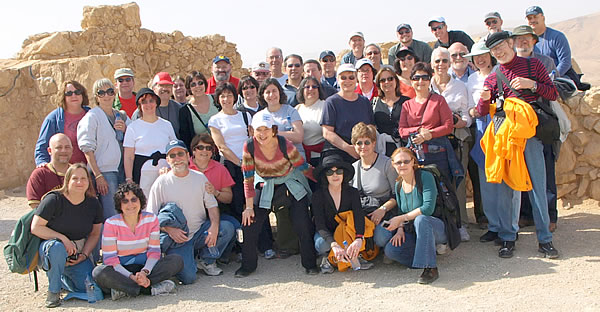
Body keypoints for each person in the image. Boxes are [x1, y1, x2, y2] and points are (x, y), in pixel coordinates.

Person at [475, 31, 559, 259]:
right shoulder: (492, 78)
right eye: (494, 50)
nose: (499, 52)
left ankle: (545, 240)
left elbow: (553, 93)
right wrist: (483, 101)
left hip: (530, 137)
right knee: (505, 190)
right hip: (505, 137)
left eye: (501, 46)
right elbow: (482, 113)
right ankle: (507, 238)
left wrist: (532, 85)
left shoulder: (533, 66)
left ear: (510, 43)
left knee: (537, 189)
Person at [236, 114, 318, 277]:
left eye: (266, 129)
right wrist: (249, 207)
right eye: (258, 130)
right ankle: (248, 265)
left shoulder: (284, 144)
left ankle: (310, 263)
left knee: (302, 222)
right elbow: (248, 177)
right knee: (249, 224)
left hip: (289, 182)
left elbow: (302, 166)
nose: (262, 134)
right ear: (252, 131)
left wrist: (322, 180)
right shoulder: (249, 146)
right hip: (264, 183)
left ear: (273, 130)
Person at [146, 140, 235, 283]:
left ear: (188, 156)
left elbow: (212, 206)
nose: (177, 158)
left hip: (200, 232)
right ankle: (188, 260)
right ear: (168, 160)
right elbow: (150, 217)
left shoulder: (200, 178)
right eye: (172, 156)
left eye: (180, 154)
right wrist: (169, 230)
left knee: (227, 228)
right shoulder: (160, 183)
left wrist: (214, 226)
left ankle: (206, 260)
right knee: (188, 278)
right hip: (178, 239)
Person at [92, 182, 183, 300]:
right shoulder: (111, 223)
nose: (130, 204)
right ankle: (149, 289)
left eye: (134, 199)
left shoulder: (151, 219)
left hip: (146, 268)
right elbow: (110, 259)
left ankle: (126, 290)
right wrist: (131, 277)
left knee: (176, 260)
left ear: (140, 201)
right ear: (120, 204)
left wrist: (144, 272)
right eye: (125, 201)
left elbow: (154, 252)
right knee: (98, 272)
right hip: (122, 270)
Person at [31, 163, 103, 308]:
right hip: (52, 250)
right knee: (57, 248)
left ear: (89, 181)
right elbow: (36, 228)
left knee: (96, 293)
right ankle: (54, 292)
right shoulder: (54, 200)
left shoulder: (93, 204)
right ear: (67, 180)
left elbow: (95, 234)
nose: (79, 182)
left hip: (77, 254)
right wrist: (63, 238)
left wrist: (84, 254)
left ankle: (65, 284)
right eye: (75, 178)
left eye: (83, 178)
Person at [374, 148, 447, 284]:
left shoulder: (425, 176)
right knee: (391, 250)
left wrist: (400, 220)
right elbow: (401, 211)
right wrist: (400, 229)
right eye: (398, 162)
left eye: (406, 161)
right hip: (413, 231)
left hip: (434, 227)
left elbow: (427, 209)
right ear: (393, 165)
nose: (402, 165)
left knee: (421, 220)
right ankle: (425, 254)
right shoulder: (398, 184)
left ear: (413, 161)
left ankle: (430, 267)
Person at [512, 25, 559, 232]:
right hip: (519, 127)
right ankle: (526, 215)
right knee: (522, 171)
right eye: (518, 39)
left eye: (526, 39)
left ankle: (549, 216)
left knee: (546, 172)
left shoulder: (545, 62)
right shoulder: (508, 65)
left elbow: (553, 93)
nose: (522, 42)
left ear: (534, 41)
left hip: (541, 125)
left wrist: (532, 85)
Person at [255, 78, 305, 256]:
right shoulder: (258, 116)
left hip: (294, 165)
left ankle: (298, 244)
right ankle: (282, 244)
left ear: (280, 92)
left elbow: (298, 136)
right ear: (262, 95)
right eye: (267, 91)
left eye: (274, 90)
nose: (271, 94)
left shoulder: (290, 111)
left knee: (296, 204)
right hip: (270, 168)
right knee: (278, 205)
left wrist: (273, 134)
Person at [430, 47, 470, 240]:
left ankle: (460, 223)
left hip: (456, 139)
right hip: (433, 142)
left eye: (445, 61)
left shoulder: (460, 86)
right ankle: (442, 226)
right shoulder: (424, 85)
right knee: (435, 183)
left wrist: (457, 122)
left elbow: (467, 116)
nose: (441, 65)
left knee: (457, 182)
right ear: (432, 64)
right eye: (437, 61)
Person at [77, 78, 130, 220]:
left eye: (110, 91)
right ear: (96, 96)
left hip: (121, 170)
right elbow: (87, 148)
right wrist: (98, 175)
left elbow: (135, 137)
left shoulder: (121, 115)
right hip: (105, 172)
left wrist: (125, 129)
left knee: (123, 211)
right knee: (111, 214)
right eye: (101, 92)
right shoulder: (92, 117)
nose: (106, 95)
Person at [312, 154, 373, 273]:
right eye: (330, 172)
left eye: (338, 171)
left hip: (348, 231)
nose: (335, 175)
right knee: (321, 244)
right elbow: (320, 225)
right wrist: (334, 244)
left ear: (343, 173)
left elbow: (358, 216)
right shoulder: (318, 196)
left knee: (358, 240)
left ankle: (353, 255)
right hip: (328, 233)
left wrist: (359, 238)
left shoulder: (353, 192)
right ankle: (328, 258)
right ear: (325, 175)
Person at [397, 62, 457, 182]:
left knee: (443, 193)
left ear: (430, 80)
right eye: (416, 78)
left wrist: (430, 134)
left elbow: (448, 126)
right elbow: (402, 131)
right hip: (415, 156)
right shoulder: (407, 105)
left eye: (425, 77)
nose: (420, 81)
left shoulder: (439, 100)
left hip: (438, 154)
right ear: (411, 81)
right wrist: (418, 130)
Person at [208, 83, 253, 226]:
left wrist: (248, 162)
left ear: (235, 97)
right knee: (236, 202)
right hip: (230, 166)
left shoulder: (246, 116)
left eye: (229, 95)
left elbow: (253, 139)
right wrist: (240, 164)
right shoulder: (215, 120)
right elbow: (221, 146)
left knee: (252, 202)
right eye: (222, 96)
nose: (226, 99)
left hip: (249, 164)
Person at [465, 41, 497, 228]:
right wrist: (472, 111)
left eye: (484, 55)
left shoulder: (499, 73)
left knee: (501, 176)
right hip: (480, 127)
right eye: (477, 57)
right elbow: (470, 105)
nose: (481, 59)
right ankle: (492, 224)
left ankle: (506, 224)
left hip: (498, 124)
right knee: (484, 177)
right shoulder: (472, 80)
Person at [123, 88, 177, 197]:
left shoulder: (166, 125)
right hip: (143, 173)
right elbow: (128, 156)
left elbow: (174, 149)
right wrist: (129, 179)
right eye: (144, 102)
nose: (148, 105)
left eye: (151, 101)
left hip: (165, 171)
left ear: (156, 103)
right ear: (139, 106)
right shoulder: (133, 127)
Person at [188, 134, 240, 245]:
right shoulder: (184, 167)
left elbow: (228, 198)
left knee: (236, 228)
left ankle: (222, 257)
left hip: (216, 211)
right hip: (190, 213)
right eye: (200, 147)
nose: (205, 151)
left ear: (213, 152)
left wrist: (216, 192)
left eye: (209, 148)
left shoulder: (220, 169)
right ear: (193, 150)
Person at [526, 6, 590, 90]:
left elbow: (565, 62)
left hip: (559, 78)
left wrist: (550, 78)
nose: (532, 20)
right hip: (536, 81)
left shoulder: (557, 37)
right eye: (529, 18)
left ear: (543, 17)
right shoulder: (526, 40)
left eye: (535, 17)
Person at [321, 64, 375, 163]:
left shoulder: (364, 101)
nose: (347, 81)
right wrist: (349, 148)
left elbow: (371, 127)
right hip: (338, 151)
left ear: (356, 79)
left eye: (351, 77)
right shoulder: (331, 102)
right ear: (337, 79)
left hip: (362, 150)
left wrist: (363, 148)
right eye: (343, 78)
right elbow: (327, 132)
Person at [350, 122, 398, 226]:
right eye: (359, 143)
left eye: (367, 142)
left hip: (386, 212)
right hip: (363, 214)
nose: (363, 146)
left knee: (380, 238)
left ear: (374, 143)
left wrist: (383, 209)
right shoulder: (353, 168)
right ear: (354, 145)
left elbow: (397, 195)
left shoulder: (387, 164)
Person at [35, 80, 90, 166]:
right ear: (63, 97)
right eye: (69, 93)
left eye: (77, 92)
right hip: (63, 170)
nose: (74, 95)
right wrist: (42, 163)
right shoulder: (53, 119)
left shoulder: (92, 115)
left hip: (91, 169)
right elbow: (42, 146)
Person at [372, 66, 411, 156]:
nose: (387, 82)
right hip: (381, 151)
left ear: (396, 81)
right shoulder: (373, 104)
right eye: (382, 80)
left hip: (404, 149)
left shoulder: (407, 102)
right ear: (378, 84)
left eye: (390, 79)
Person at [27, 133, 72, 209]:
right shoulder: (40, 174)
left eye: (67, 147)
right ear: (49, 150)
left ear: (72, 150)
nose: (64, 151)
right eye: (59, 147)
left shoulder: (79, 172)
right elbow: (35, 206)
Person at [179, 71, 219, 150]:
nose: (197, 86)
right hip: (203, 152)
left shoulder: (216, 100)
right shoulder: (185, 111)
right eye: (193, 84)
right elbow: (186, 138)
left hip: (224, 148)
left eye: (200, 83)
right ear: (189, 88)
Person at [296, 77, 327, 165]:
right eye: (307, 87)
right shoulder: (297, 109)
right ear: (302, 90)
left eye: (314, 87)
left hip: (321, 158)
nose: (311, 89)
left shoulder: (326, 106)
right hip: (301, 158)